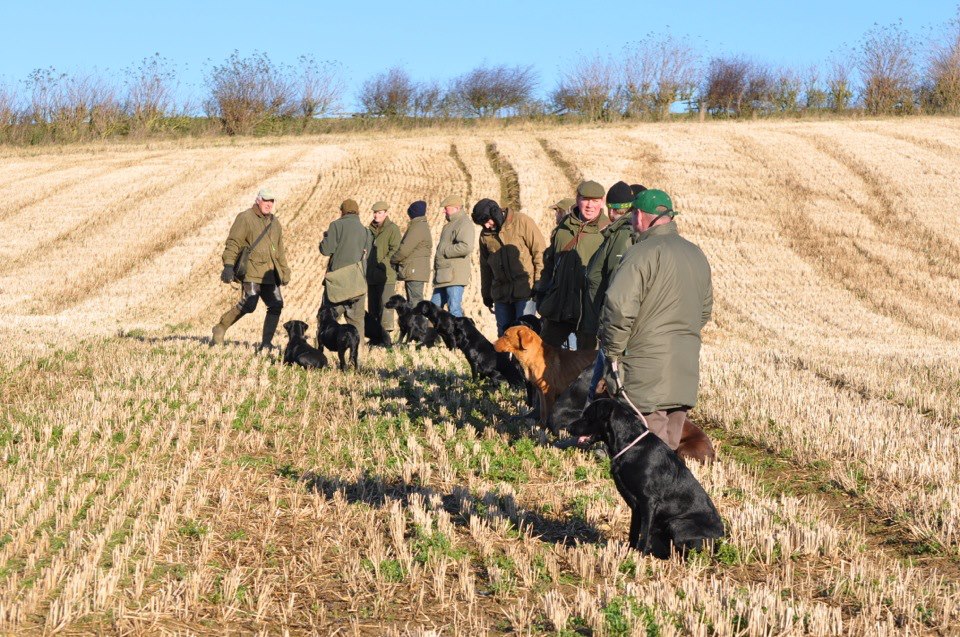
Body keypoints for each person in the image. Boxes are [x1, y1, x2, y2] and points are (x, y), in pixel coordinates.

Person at [599, 189, 713, 451]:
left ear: (639, 215)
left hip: (645, 368)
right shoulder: (696, 255)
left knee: (645, 452)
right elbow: (704, 311)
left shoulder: (640, 253)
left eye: (631, 217)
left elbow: (618, 307)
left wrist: (613, 353)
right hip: (684, 367)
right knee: (669, 450)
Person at [213, 188, 290, 350]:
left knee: (276, 305)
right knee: (249, 304)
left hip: (270, 274)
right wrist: (228, 265)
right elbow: (233, 242)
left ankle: (266, 343)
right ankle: (221, 327)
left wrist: (284, 270)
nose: (269, 205)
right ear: (258, 200)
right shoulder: (245, 218)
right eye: (266, 201)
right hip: (252, 272)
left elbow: (280, 250)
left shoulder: (275, 223)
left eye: (271, 201)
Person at [535, 180, 610, 350]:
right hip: (559, 306)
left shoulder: (607, 232)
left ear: (602, 201)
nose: (590, 205)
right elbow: (550, 263)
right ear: (577, 199)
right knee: (544, 356)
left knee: (586, 363)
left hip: (588, 311)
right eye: (585, 199)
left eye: (595, 200)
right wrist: (542, 293)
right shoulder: (563, 228)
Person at [472, 198, 545, 336]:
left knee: (523, 335)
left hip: (526, 291)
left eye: (488, 221)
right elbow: (485, 267)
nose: (487, 226)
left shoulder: (522, 222)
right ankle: (504, 359)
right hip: (501, 295)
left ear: (495, 213)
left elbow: (540, 252)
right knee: (504, 336)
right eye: (483, 224)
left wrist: (539, 282)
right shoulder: (484, 236)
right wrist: (486, 294)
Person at [581, 181, 642, 339]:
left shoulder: (622, 235)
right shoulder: (620, 232)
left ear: (611, 209)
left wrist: (605, 323)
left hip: (610, 323)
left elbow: (616, 283)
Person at [319, 198, 373, 339]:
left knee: (328, 319)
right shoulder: (366, 232)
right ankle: (359, 355)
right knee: (357, 322)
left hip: (338, 283)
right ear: (357, 212)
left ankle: (325, 354)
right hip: (357, 283)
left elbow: (326, 250)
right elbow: (367, 254)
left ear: (342, 211)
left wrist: (325, 237)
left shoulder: (336, 226)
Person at [431, 195, 474, 317]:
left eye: (446, 208)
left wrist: (444, 251)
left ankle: (460, 336)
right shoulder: (451, 224)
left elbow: (466, 246)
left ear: (456, 208)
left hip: (454, 276)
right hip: (444, 275)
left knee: (454, 310)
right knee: (432, 310)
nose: (444, 211)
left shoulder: (464, 223)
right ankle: (431, 336)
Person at [367, 201, 402, 345]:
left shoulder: (392, 229)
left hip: (386, 275)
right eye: (375, 212)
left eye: (380, 212)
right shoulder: (368, 230)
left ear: (386, 213)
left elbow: (396, 249)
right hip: (371, 275)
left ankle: (386, 338)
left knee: (385, 306)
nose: (376, 215)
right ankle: (375, 337)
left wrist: (383, 262)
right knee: (373, 308)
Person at [391, 200, 433, 305]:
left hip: (414, 271)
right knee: (416, 302)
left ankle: (419, 321)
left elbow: (404, 249)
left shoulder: (417, 227)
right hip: (417, 270)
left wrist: (392, 259)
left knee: (415, 303)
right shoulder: (422, 225)